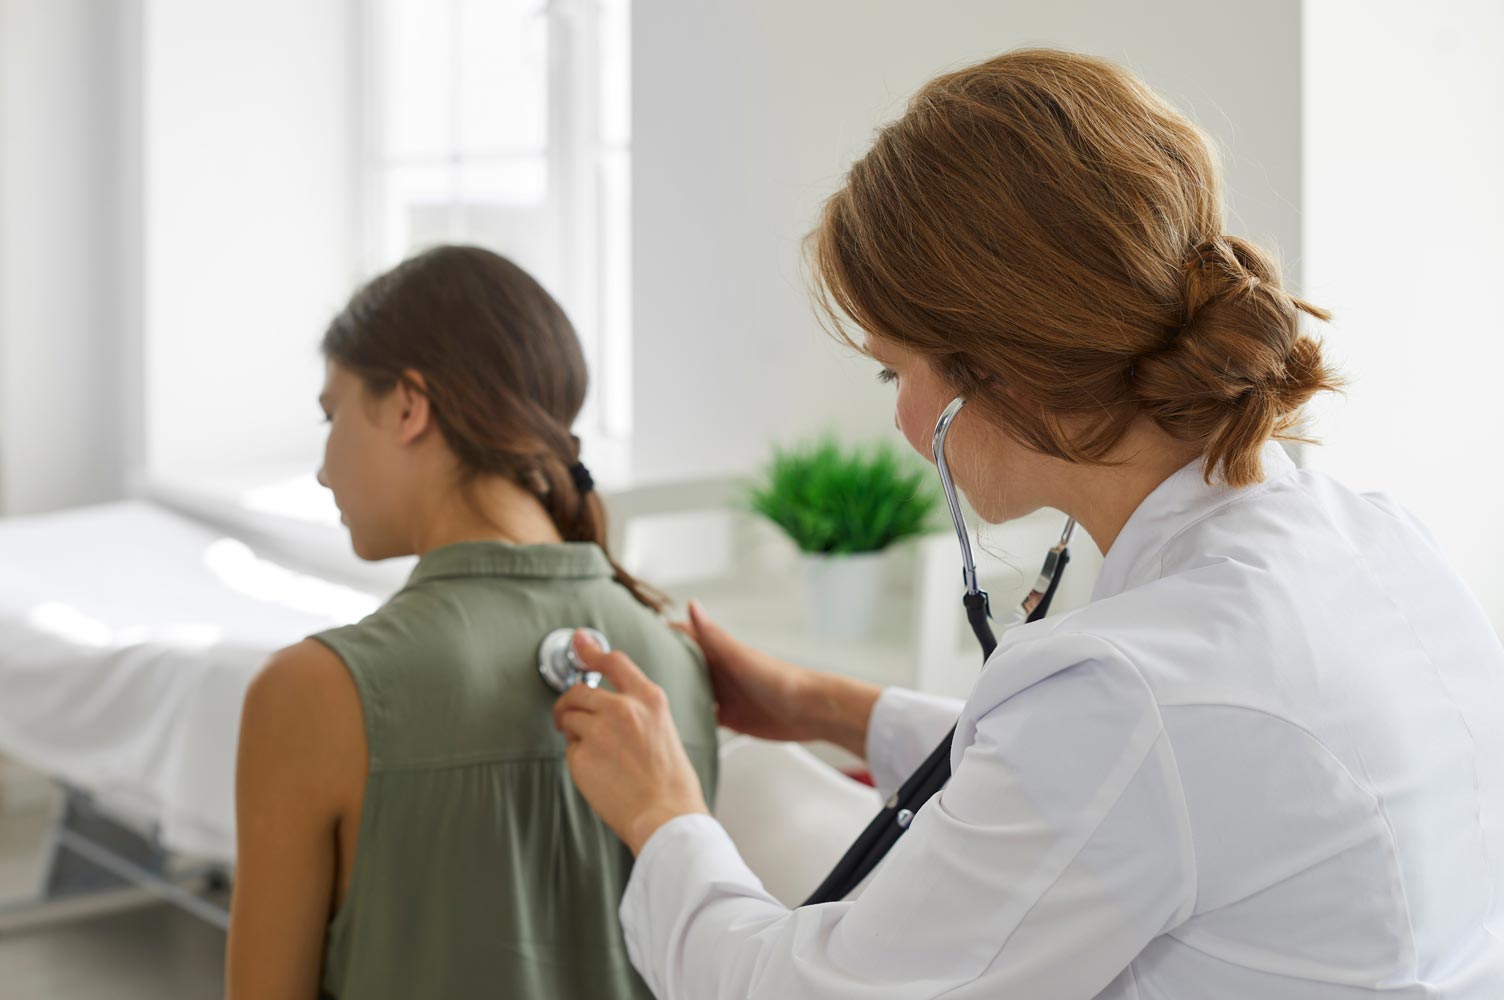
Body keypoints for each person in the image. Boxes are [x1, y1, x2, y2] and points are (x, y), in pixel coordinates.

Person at [552, 48, 1504, 998]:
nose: (900, 422)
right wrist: (821, 705)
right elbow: (1109, 788)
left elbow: (805, 988)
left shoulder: (1133, 695)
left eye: (894, 371)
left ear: (996, 371)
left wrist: (662, 816)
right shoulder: (1376, 541)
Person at [226, 245, 718, 999]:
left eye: (332, 413)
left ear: (408, 406)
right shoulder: (674, 661)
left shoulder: (313, 691)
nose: (323, 468)